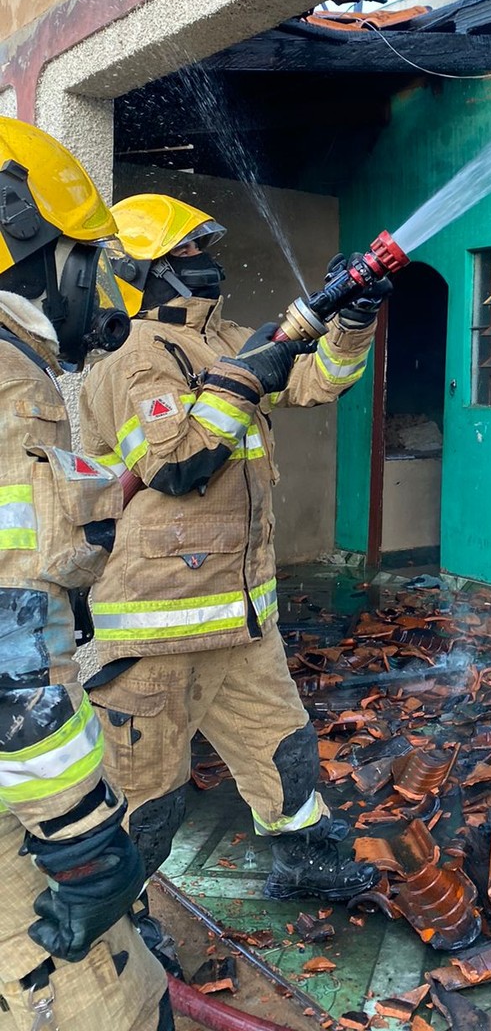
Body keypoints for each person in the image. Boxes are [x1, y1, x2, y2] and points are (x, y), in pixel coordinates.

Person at [78, 193, 387, 902]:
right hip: (163, 624)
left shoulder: (220, 340)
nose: (206, 263)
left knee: (282, 749)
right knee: (146, 793)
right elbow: (176, 464)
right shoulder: (133, 360)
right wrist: (246, 374)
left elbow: (315, 381)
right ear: (142, 272)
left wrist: (353, 320)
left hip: (241, 614)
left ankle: (305, 862)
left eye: (202, 249)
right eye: (187, 252)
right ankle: (118, 918)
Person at [0, 119, 171, 1030]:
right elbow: (10, 649)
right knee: (114, 1004)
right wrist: (83, 843)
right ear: (19, 226)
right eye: (85, 254)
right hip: (20, 801)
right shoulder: (8, 383)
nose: (97, 287)